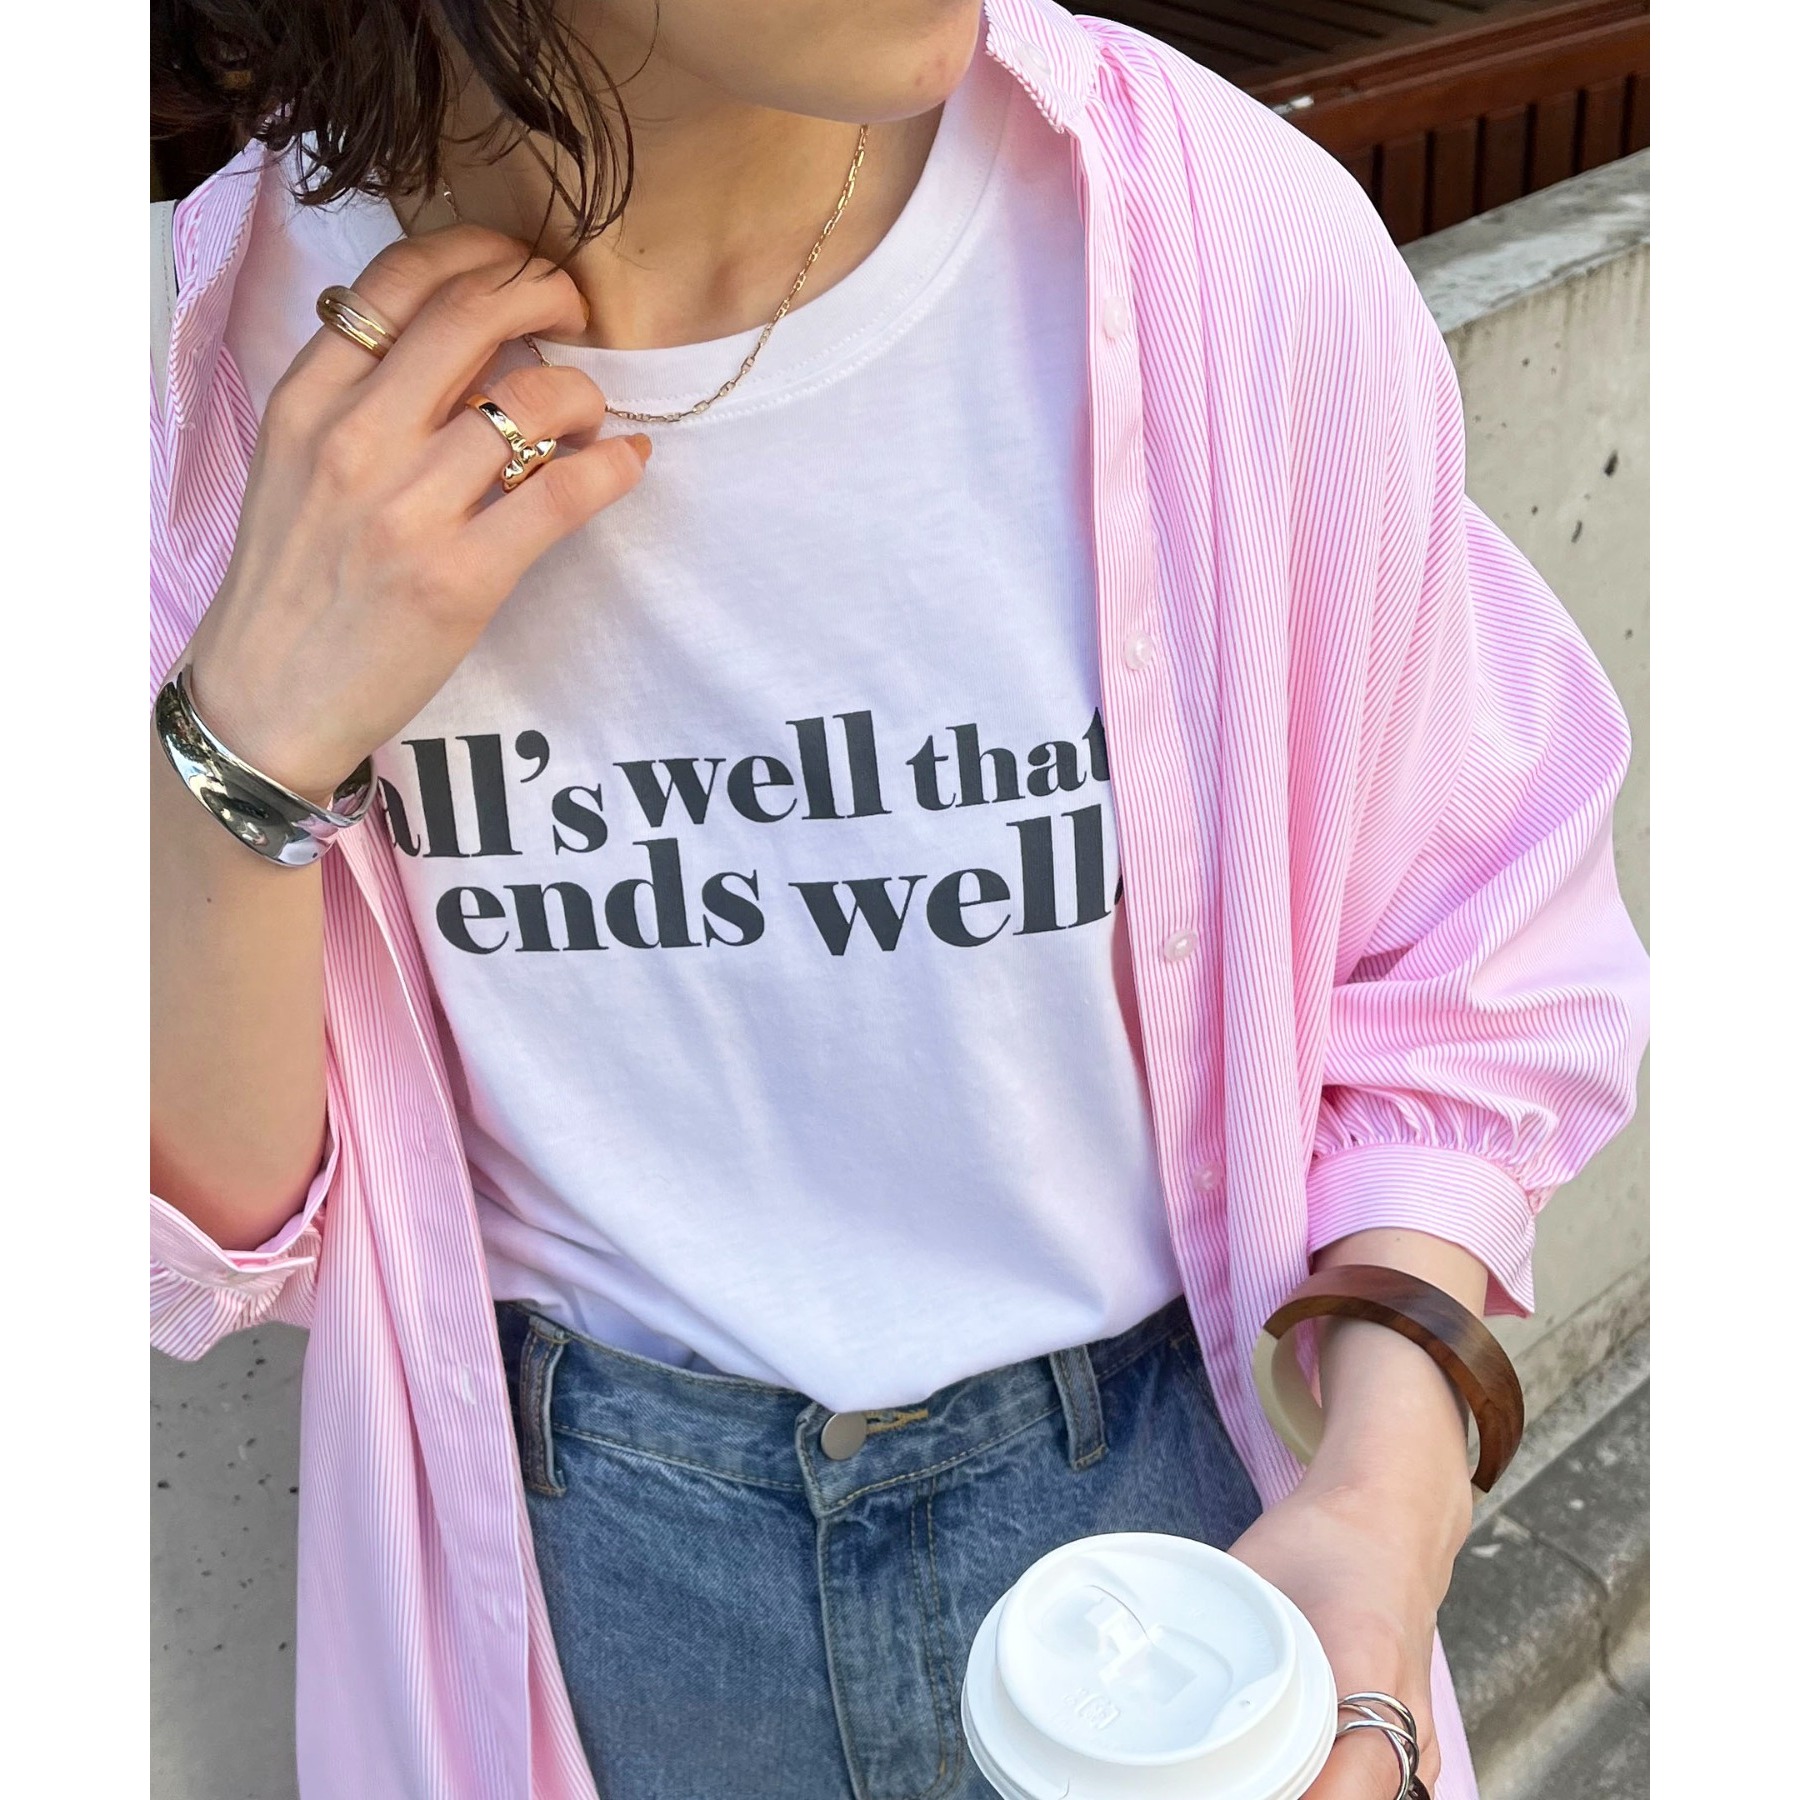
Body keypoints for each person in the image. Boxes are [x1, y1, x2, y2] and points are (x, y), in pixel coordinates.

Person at [149, 2, 1649, 1797]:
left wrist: (1388, 1513)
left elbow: (1466, 969)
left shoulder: (1214, 243)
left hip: (1182, 1550)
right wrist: (250, 739)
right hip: (589, 1594)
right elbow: (222, 1236)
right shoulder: (208, 369)